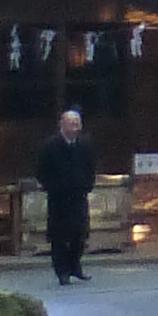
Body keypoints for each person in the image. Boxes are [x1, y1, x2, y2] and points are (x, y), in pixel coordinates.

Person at [37, 105, 98, 286]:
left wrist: (87, 185)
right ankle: (62, 271)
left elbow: (91, 168)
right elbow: (41, 172)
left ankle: (75, 267)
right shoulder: (50, 146)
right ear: (62, 125)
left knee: (79, 235)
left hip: (79, 196)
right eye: (70, 124)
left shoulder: (85, 144)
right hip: (58, 199)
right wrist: (52, 187)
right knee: (59, 237)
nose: (74, 127)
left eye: (77, 124)